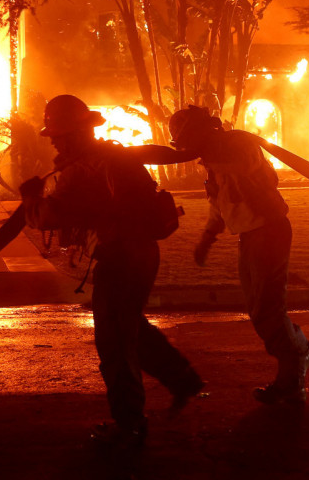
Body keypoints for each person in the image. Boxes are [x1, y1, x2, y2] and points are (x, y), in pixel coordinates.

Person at [21, 94, 205, 449]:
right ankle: (181, 379)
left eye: (58, 134)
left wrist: (31, 196)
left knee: (114, 343)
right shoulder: (112, 155)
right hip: (141, 253)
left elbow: (46, 216)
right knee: (130, 325)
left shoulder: (82, 168)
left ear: (76, 133)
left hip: (121, 257)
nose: (55, 141)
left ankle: (129, 424)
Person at [165, 105, 309, 406]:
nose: (189, 149)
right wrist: (207, 238)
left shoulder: (238, 144)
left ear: (200, 132)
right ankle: (300, 350)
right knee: (260, 310)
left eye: (188, 140)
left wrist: (208, 155)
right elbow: (220, 203)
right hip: (250, 236)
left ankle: (292, 377)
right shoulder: (213, 161)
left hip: (269, 230)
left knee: (267, 310)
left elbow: (244, 166)